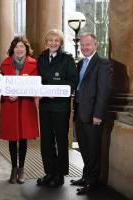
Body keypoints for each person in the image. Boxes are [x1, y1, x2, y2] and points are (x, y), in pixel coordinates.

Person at [70, 32, 113, 195]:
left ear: (96, 45)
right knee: (84, 146)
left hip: (93, 113)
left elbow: (104, 91)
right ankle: (86, 175)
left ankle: (92, 182)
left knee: (93, 148)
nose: (84, 48)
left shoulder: (103, 63)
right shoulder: (81, 64)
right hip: (80, 110)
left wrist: (98, 114)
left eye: (88, 45)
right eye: (82, 45)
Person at [36, 29, 77, 187]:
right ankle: (49, 173)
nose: (53, 43)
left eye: (57, 40)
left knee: (60, 140)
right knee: (46, 141)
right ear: (46, 42)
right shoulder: (41, 59)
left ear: (60, 43)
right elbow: (37, 80)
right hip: (45, 106)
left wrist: (56, 90)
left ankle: (59, 175)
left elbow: (73, 82)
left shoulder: (67, 59)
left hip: (61, 106)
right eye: (51, 40)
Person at [0, 36, 39, 184]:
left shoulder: (34, 64)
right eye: (16, 47)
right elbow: (0, 85)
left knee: (23, 139)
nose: (19, 49)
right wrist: (8, 95)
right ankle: (13, 168)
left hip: (25, 106)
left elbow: (35, 85)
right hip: (10, 105)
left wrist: (26, 83)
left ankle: (21, 169)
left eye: (22, 47)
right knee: (11, 138)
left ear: (26, 49)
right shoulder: (4, 64)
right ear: (13, 49)